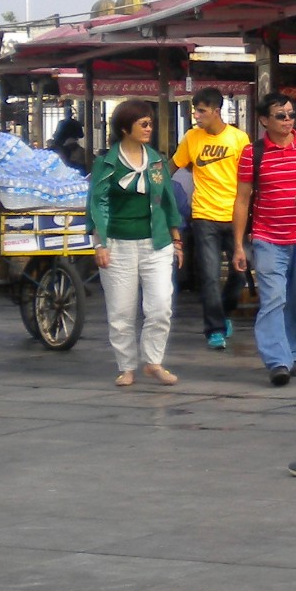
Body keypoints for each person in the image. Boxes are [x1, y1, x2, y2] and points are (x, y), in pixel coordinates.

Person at [232, 90, 296, 387]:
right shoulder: (253, 152)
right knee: (273, 298)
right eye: (280, 116)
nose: (288, 120)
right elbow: (242, 199)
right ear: (264, 120)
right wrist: (238, 244)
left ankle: (292, 352)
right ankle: (277, 361)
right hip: (267, 237)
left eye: (291, 115)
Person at [87, 99, 185, 388]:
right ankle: (126, 366)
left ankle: (153, 361)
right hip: (118, 245)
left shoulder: (155, 160)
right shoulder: (107, 163)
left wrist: (177, 240)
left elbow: (168, 201)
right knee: (121, 311)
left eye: (150, 123)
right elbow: (98, 204)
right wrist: (100, 244)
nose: (149, 128)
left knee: (160, 306)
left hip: (157, 244)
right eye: (143, 123)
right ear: (124, 127)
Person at [172, 87, 250, 350]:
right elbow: (172, 166)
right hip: (204, 215)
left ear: (217, 111)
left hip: (235, 215)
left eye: (202, 111)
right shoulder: (192, 138)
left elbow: (248, 180)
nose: (197, 116)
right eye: (195, 110)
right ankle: (214, 329)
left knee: (240, 274)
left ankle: (225, 312)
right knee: (208, 275)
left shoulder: (240, 140)